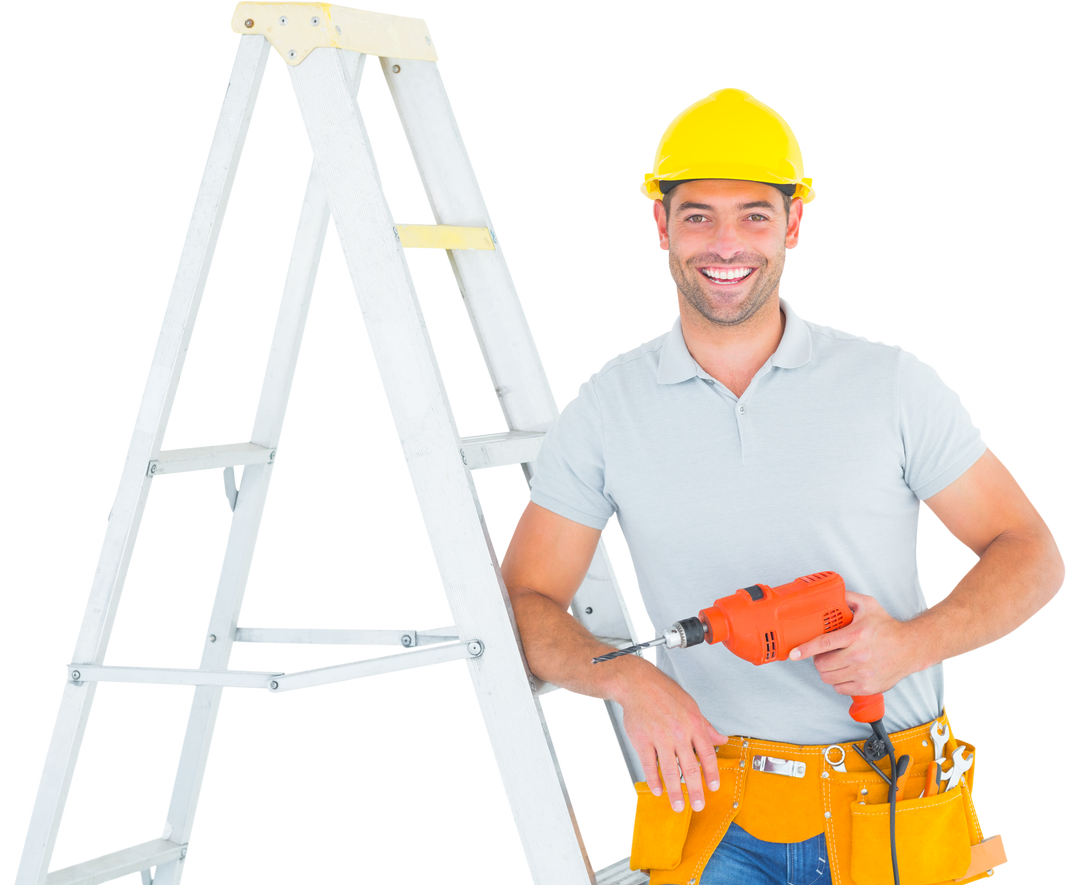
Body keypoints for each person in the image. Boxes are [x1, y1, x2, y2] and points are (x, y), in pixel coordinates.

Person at [499, 85, 1066, 884]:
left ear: (794, 224)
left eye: (754, 215)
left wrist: (910, 643)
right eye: (697, 214)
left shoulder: (891, 382)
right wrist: (628, 678)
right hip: (712, 804)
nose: (724, 243)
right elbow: (523, 602)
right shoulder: (607, 403)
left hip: (887, 805)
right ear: (659, 224)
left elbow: (1034, 553)